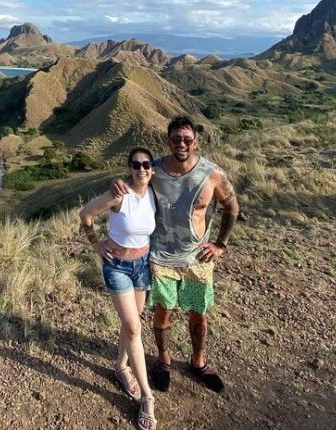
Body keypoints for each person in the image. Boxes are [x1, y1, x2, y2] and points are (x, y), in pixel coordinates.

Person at [112, 116, 239, 394]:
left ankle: (198, 362)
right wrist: (117, 183)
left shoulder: (212, 174)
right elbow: (132, 181)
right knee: (162, 312)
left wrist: (220, 244)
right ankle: (164, 360)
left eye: (186, 139)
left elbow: (231, 206)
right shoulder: (154, 169)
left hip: (197, 260)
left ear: (196, 141)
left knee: (198, 313)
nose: (181, 144)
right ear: (168, 140)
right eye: (175, 139)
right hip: (161, 258)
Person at [79, 148, 158, 430]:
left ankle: (121, 368)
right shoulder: (118, 195)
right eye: (136, 165)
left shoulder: (153, 193)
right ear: (129, 168)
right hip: (118, 267)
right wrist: (96, 243)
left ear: (152, 169)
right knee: (134, 327)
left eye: (146, 164)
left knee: (131, 325)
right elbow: (85, 213)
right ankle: (148, 398)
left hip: (143, 264)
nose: (141, 169)